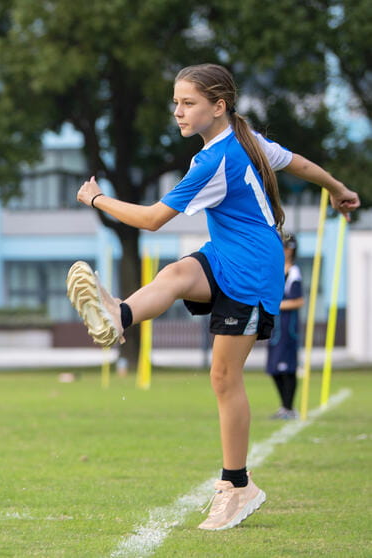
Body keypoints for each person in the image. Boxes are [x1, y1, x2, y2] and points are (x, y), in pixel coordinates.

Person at [66, 63, 360, 531]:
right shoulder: (245, 140)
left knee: (223, 377)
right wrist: (338, 188)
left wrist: (96, 199)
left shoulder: (216, 159)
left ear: (217, 107)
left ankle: (238, 486)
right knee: (178, 273)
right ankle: (120, 315)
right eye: (175, 102)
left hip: (252, 269)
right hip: (226, 253)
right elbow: (297, 162)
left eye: (188, 103)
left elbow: (151, 219)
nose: (178, 112)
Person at [266, 234, 304, 420]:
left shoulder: (294, 272)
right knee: (274, 369)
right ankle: (283, 406)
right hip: (274, 328)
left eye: (288, 247)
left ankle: (289, 407)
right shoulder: (275, 270)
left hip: (288, 328)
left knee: (287, 368)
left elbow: (298, 300)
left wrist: (276, 304)